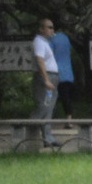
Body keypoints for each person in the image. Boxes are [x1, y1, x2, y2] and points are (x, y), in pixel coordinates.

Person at [30, 18, 63, 148]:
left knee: (49, 108)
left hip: (53, 76)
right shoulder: (38, 42)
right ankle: (28, 128)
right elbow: (40, 61)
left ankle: (48, 138)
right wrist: (46, 80)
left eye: (52, 27)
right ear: (41, 28)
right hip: (45, 77)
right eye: (49, 27)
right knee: (43, 106)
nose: (51, 30)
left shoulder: (45, 42)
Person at [48, 27, 76, 120]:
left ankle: (49, 118)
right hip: (68, 72)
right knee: (66, 97)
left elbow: (49, 54)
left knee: (51, 97)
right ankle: (69, 119)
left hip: (55, 72)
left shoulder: (51, 39)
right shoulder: (66, 38)